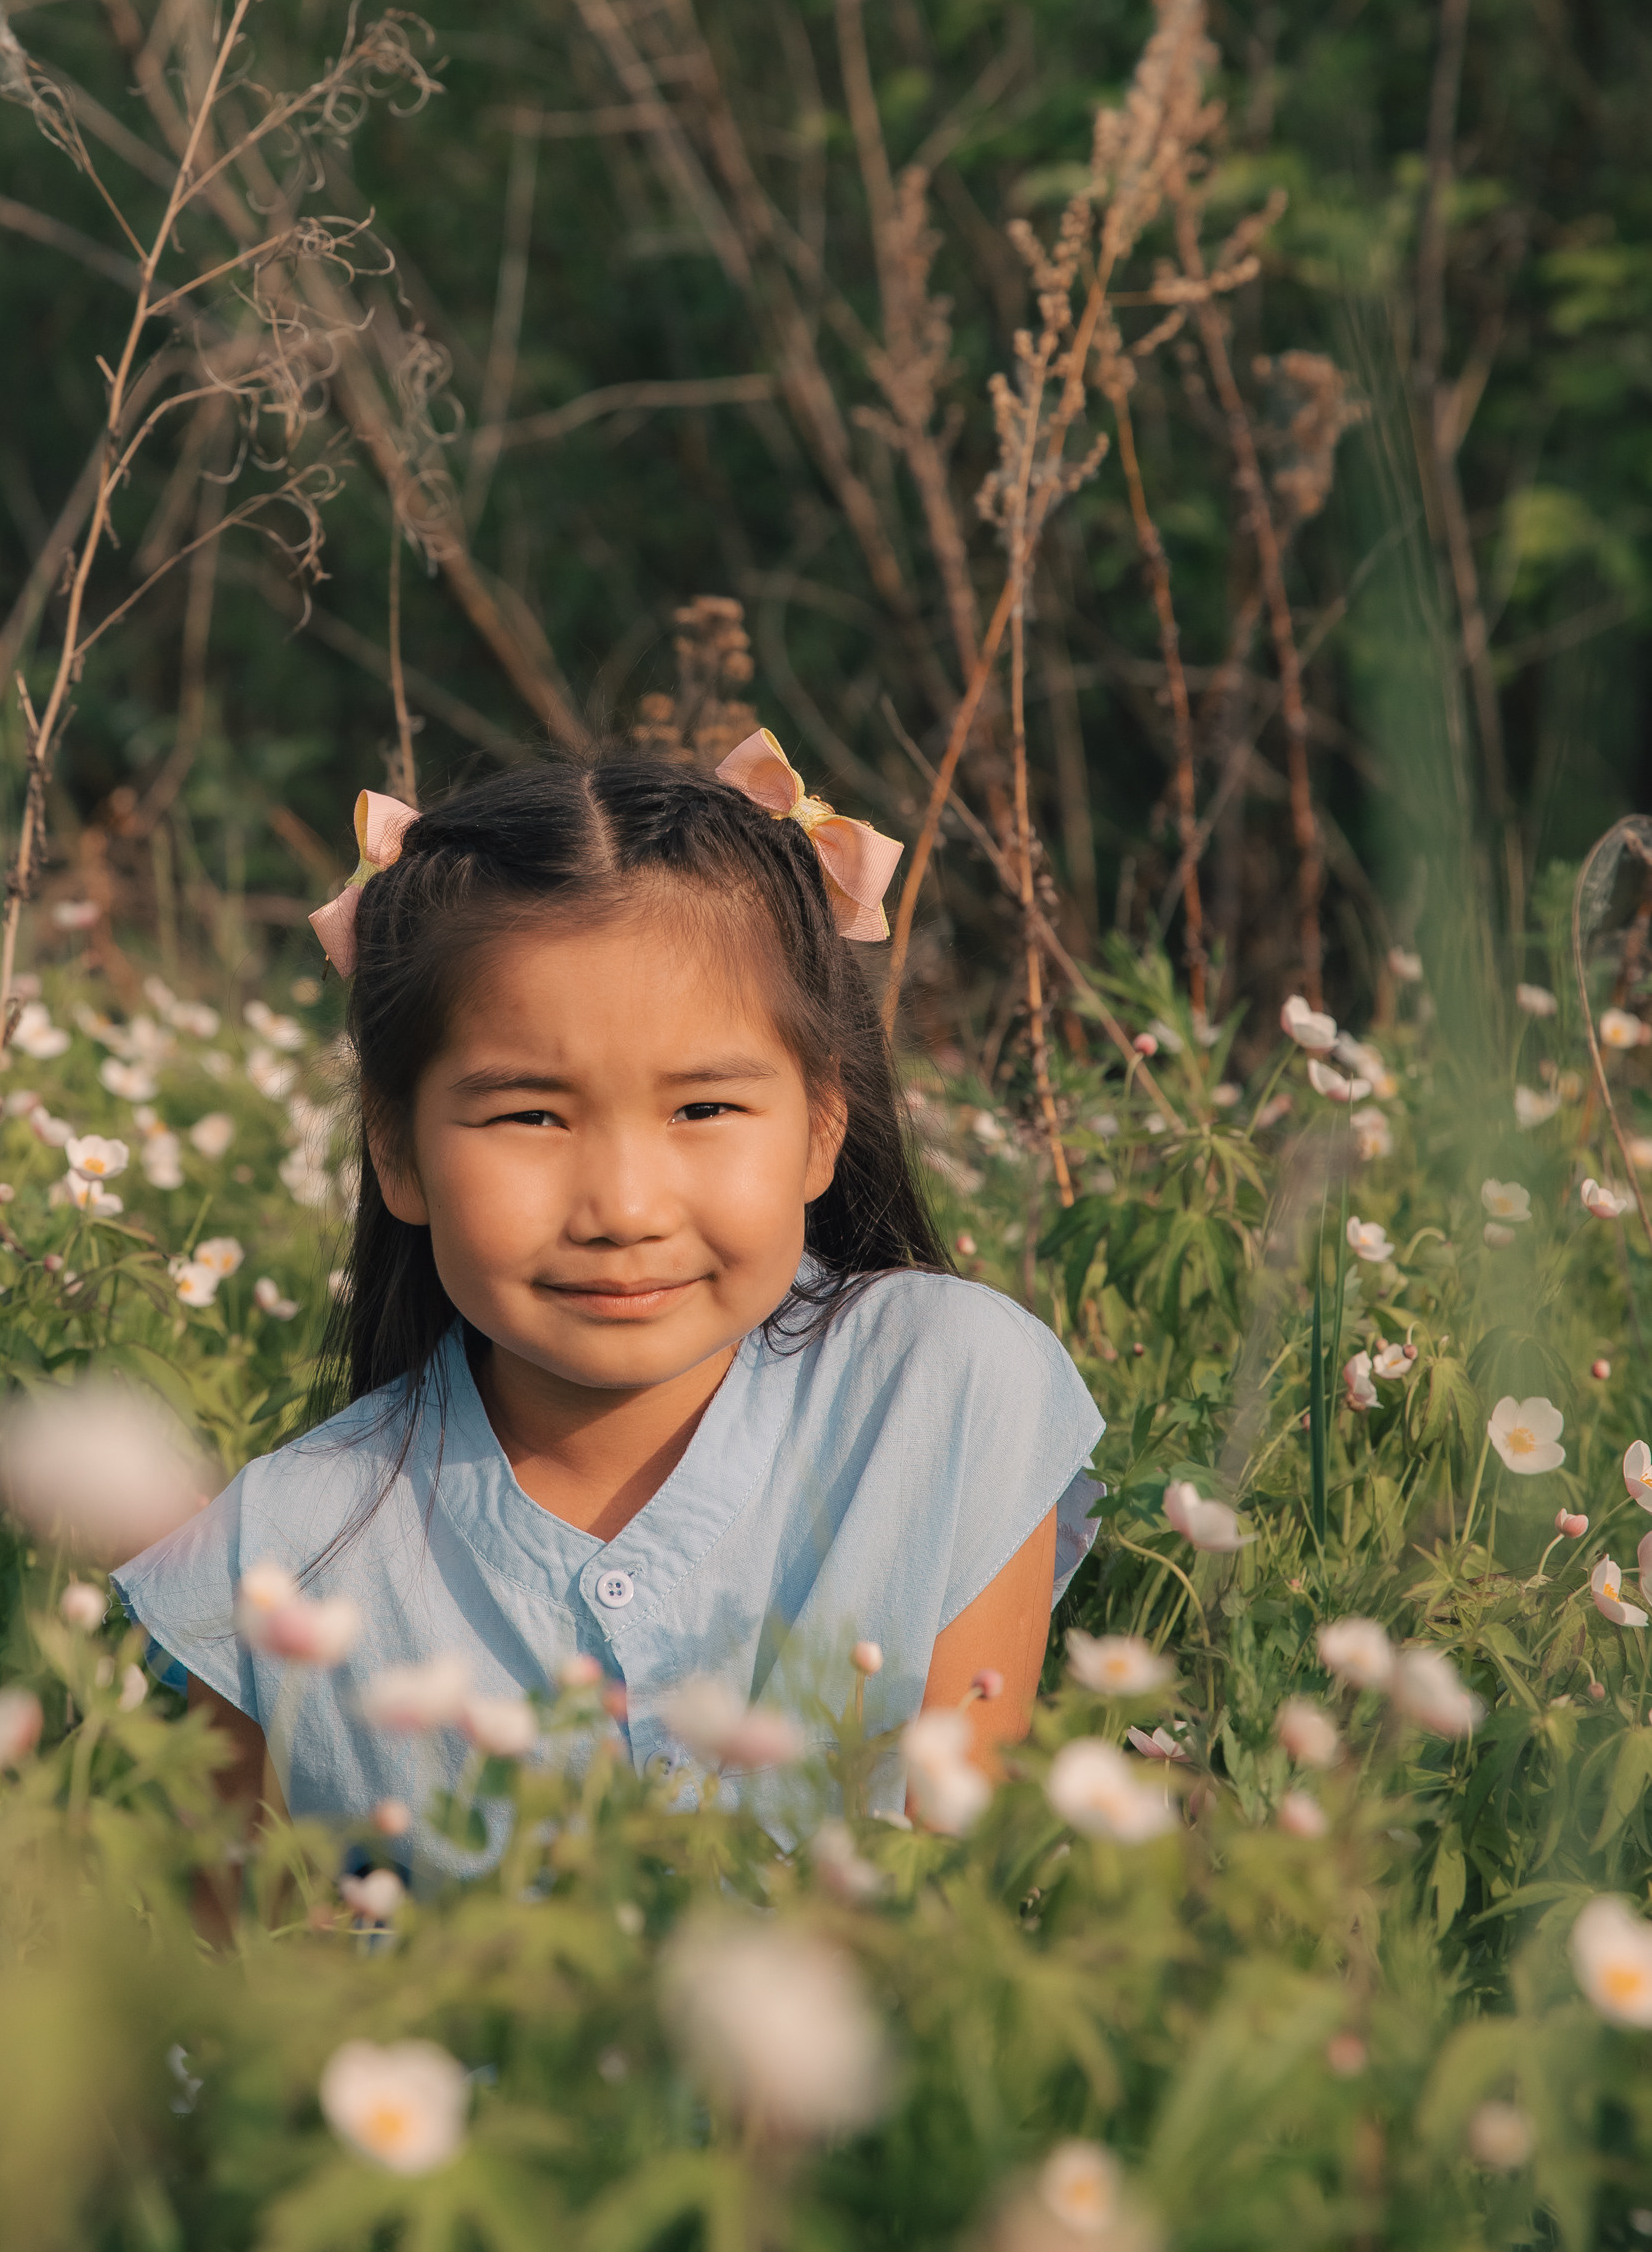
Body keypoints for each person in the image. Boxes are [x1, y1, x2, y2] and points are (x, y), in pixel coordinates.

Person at [113, 740, 1103, 1871]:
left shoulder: (944, 1392)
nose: (622, 1207)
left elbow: (958, 1898)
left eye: (704, 1107)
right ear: (395, 1150)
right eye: (531, 1116)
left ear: (822, 1124)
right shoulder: (277, 1560)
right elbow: (220, 1991)